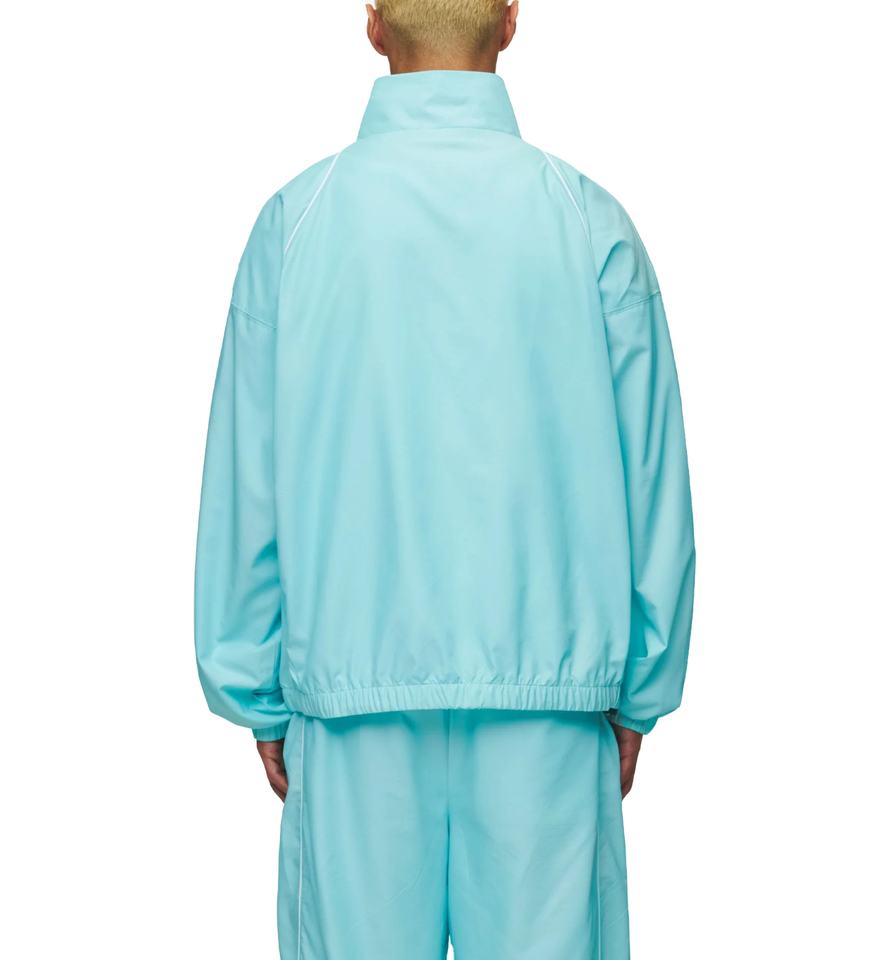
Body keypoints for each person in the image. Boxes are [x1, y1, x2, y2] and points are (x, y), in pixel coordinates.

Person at [194, 1, 695, 957]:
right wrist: (641, 687)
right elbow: (653, 484)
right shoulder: (589, 223)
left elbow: (246, 481)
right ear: (510, 19)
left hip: (351, 712)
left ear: (372, 23)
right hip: (551, 713)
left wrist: (251, 685)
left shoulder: (297, 223)